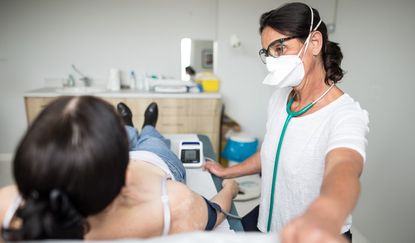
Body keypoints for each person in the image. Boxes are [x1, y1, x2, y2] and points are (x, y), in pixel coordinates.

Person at [204, 2, 369, 242]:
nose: (272, 60)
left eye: (279, 48)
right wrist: (227, 171)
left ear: (314, 43)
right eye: (267, 52)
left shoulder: (346, 114)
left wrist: (326, 215)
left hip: (310, 232)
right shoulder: (280, 98)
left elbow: (344, 167)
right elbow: (270, 152)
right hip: (268, 222)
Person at [0, 96, 238, 241]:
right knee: (152, 141)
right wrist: (230, 186)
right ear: (126, 174)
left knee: (127, 135)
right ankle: (146, 127)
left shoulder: (7, 207)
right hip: (152, 160)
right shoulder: (175, 203)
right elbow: (215, 211)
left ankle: (126, 126)